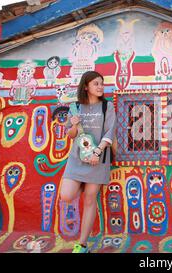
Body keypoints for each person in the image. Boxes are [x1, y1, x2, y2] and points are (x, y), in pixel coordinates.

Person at [60, 71, 116, 253]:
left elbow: (110, 132)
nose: (100, 87)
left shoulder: (107, 107)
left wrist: (97, 152)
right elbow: (71, 135)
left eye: (102, 83)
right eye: (96, 84)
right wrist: (74, 124)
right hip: (77, 159)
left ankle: (82, 245)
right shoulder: (76, 107)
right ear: (86, 86)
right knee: (66, 195)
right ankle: (81, 184)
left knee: (90, 200)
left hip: (97, 160)